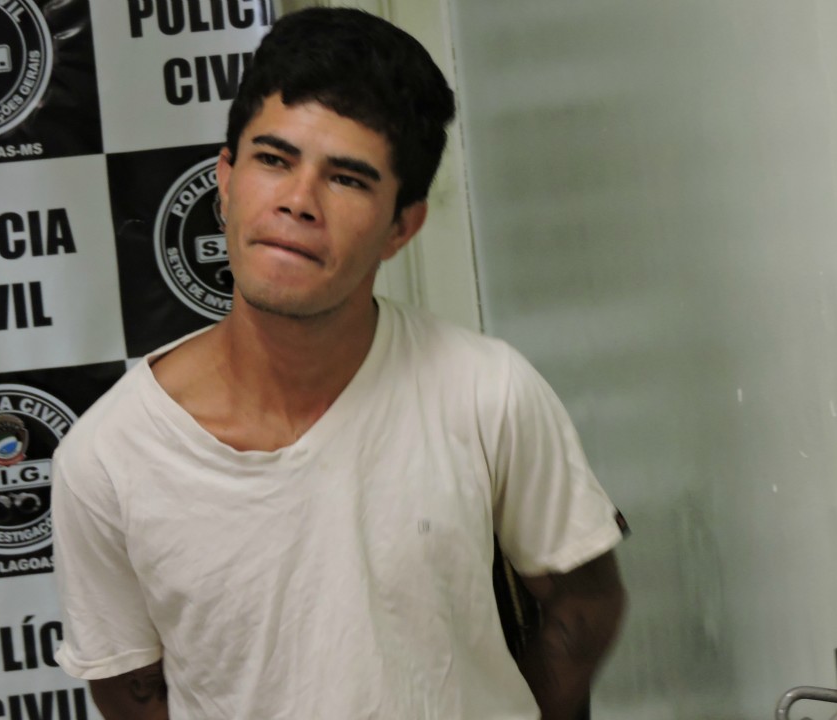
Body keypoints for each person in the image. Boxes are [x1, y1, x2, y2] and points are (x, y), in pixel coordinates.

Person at [51, 8, 628, 719]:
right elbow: (128, 689)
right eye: (273, 160)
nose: (298, 202)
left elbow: (587, 602)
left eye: (349, 179)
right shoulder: (107, 460)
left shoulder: (487, 391)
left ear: (401, 227)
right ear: (225, 180)